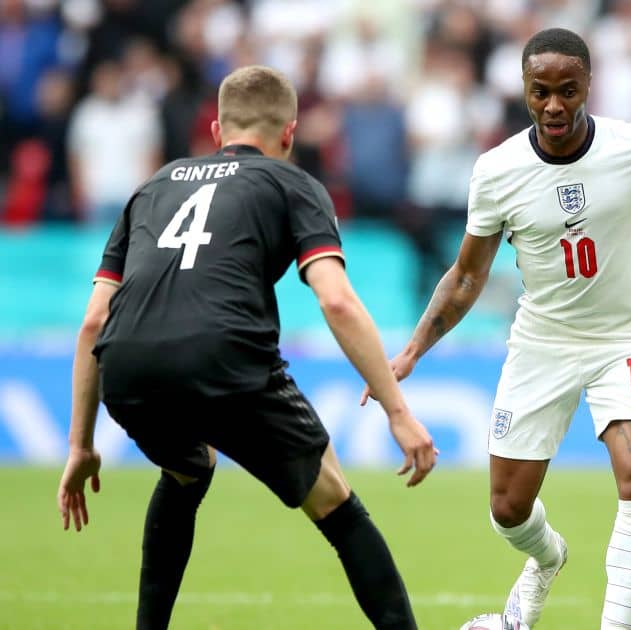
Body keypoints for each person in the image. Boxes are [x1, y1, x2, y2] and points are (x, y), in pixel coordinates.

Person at [362, 27, 631, 629]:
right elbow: (466, 276)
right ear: (523, 88)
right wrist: (412, 351)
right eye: (540, 91)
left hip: (626, 338)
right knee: (507, 509)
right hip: (541, 343)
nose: (554, 105)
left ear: (588, 85)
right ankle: (547, 561)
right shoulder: (498, 171)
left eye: (567, 90)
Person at [55, 65, 438, 630]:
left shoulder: (152, 186)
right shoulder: (295, 184)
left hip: (128, 368)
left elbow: (93, 322)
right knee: (335, 501)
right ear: (289, 133)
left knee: (188, 468)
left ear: (215, 130)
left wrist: (80, 444)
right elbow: (336, 302)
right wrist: (398, 411)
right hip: (226, 358)